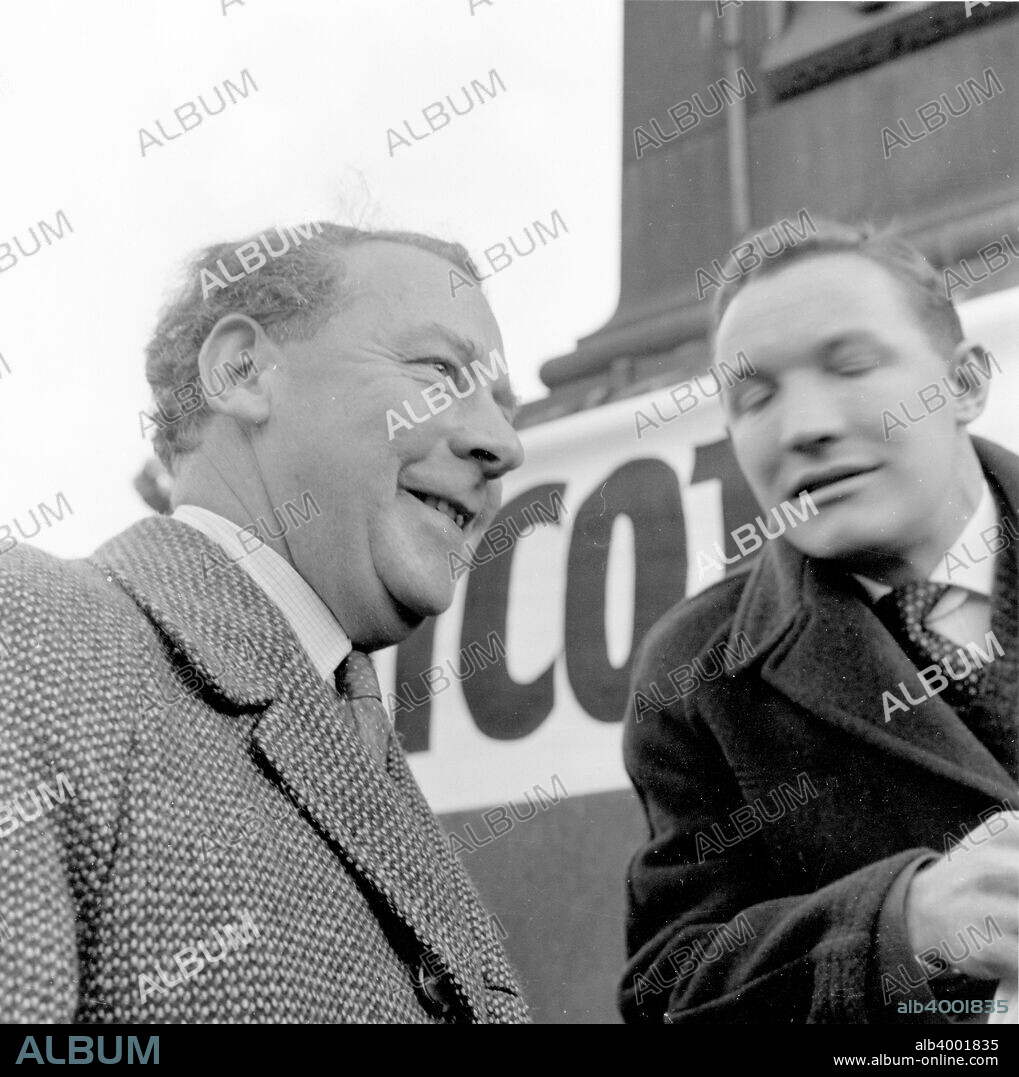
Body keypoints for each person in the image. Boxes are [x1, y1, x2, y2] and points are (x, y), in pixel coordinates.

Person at [0, 221, 529, 1023]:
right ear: (242, 370)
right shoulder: (34, 632)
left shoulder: (358, 739)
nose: (504, 443)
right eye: (440, 370)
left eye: (500, 400)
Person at [620, 219, 1019, 1024]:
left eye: (851, 365)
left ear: (966, 383)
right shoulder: (695, 675)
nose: (802, 427)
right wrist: (903, 927)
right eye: (754, 396)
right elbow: (670, 988)